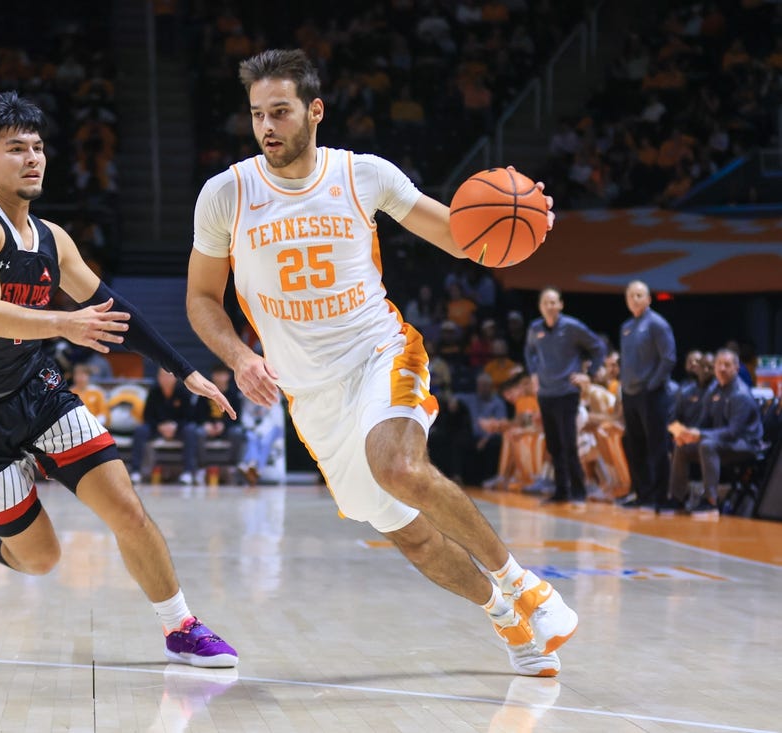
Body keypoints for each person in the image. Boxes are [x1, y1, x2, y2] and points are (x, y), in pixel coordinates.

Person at [185, 49, 575, 676]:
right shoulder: (226, 194)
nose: (267, 127)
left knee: (397, 465)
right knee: (410, 534)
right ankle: (504, 614)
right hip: (310, 395)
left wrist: (525, 219)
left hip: (378, 351)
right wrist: (237, 355)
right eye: (257, 114)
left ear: (315, 111)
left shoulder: (363, 175)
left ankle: (528, 585)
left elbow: (461, 236)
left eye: (280, 112)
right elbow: (202, 299)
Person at [0, 91, 236, 668]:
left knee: (126, 508)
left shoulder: (52, 239)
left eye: (38, 147)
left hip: (35, 391)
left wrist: (185, 369)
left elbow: (113, 308)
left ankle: (181, 627)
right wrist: (66, 322)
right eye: (16, 149)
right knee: (41, 560)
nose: (33, 158)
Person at [524, 287, 606, 506]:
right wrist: (533, 374)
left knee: (569, 443)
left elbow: (598, 347)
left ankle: (578, 491)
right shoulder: (535, 329)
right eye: (545, 303)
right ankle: (561, 491)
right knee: (553, 445)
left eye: (553, 302)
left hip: (567, 392)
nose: (549, 307)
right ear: (540, 307)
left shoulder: (572, 327)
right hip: (545, 393)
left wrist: (587, 374)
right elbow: (529, 352)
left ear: (560, 305)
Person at [667, 348, 763, 518]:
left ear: (736, 368)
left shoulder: (741, 394)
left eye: (727, 365)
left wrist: (700, 435)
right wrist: (688, 435)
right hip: (722, 442)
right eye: (719, 364)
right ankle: (677, 497)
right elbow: (703, 423)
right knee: (682, 446)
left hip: (746, 444)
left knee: (707, 445)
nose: (722, 368)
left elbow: (734, 432)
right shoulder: (714, 391)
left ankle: (710, 502)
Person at [616, 280, 676, 510]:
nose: (635, 299)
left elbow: (668, 358)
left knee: (657, 446)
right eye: (631, 296)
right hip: (630, 394)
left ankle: (660, 497)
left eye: (640, 295)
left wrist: (651, 385)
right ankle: (643, 494)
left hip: (651, 394)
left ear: (649, 298)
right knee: (635, 445)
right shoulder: (627, 326)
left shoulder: (657, 324)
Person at [128, 367, 200, 485]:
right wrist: (159, 426)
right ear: (158, 378)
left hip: (178, 429)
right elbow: (147, 416)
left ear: (175, 378)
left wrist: (175, 425)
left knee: (191, 431)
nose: (165, 379)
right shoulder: (154, 392)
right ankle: (136, 471)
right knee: (140, 431)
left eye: (168, 376)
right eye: (162, 376)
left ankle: (188, 472)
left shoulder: (183, 392)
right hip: (157, 428)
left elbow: (189, 417)